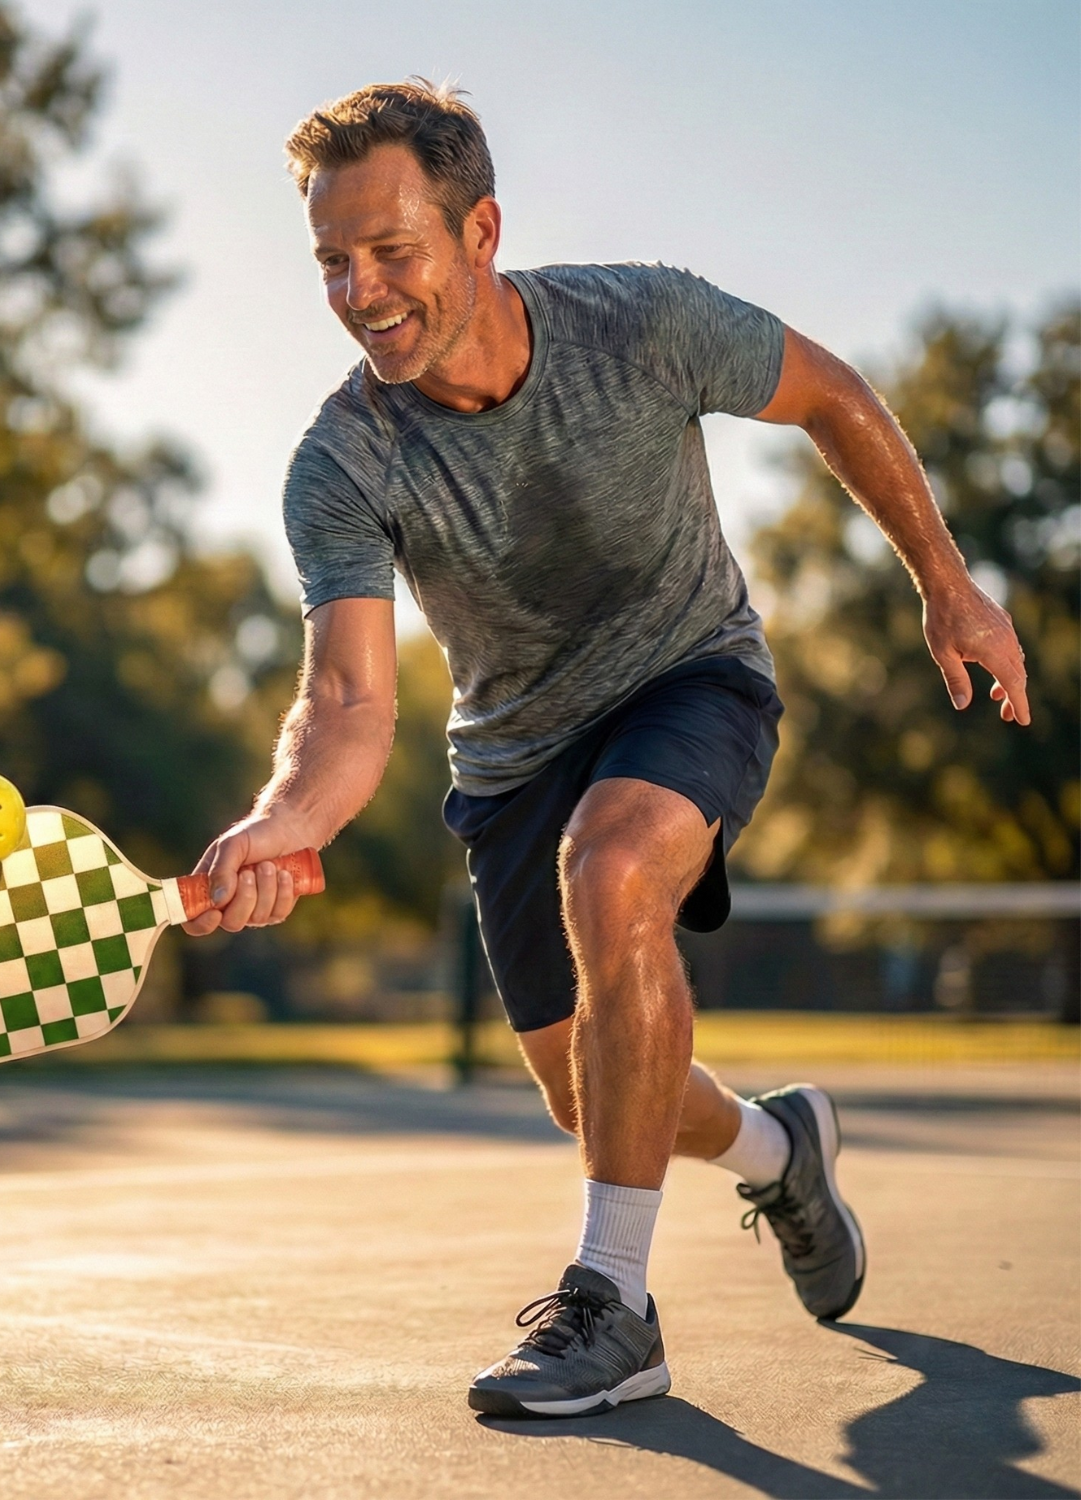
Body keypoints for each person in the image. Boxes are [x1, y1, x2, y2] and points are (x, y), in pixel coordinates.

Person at [182, 80, 1031, 1419]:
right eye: (333, 262)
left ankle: (614, 1305)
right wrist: (287, 815)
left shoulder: (641, 323)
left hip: (689, 678)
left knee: (615, 863)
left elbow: (831, 393)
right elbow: (347, 701)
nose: (360, 292)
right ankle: (780, 1151)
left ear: (480, 231)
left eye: (392, 251)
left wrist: (945, 581)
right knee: (595, 1096)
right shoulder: (341, 463)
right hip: (514, 755)